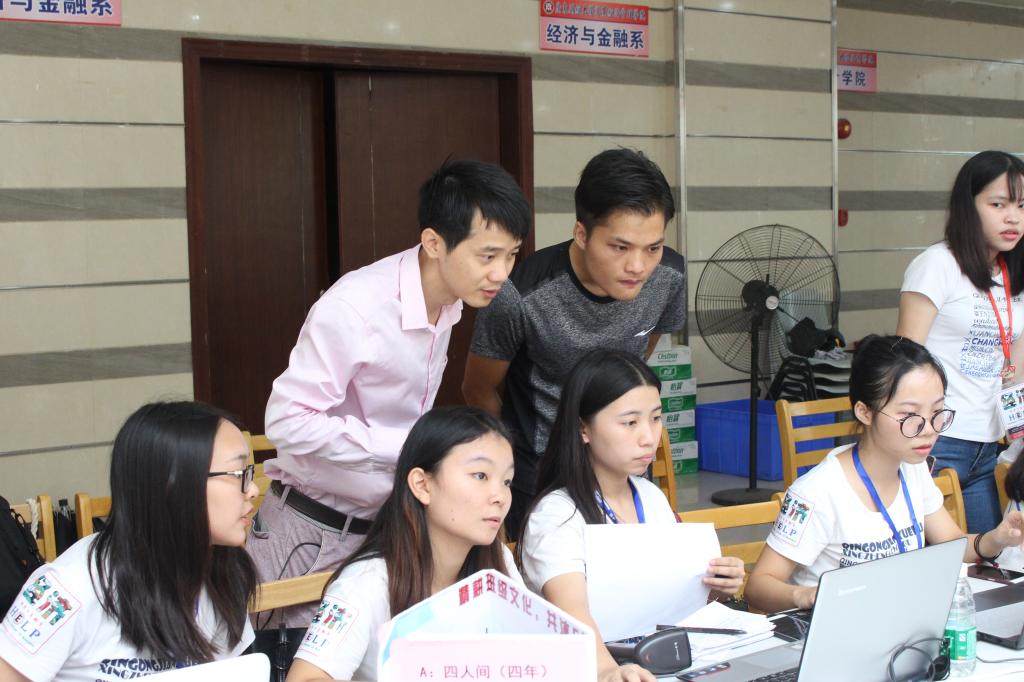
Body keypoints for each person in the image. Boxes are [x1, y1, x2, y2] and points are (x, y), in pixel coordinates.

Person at [251, 159, 531, 626]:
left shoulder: (450, 302)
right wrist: (407, 449)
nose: (502, 273)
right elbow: (285, 421)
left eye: (512, 254)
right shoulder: (357, 307)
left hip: (386, 530)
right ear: (434, 243)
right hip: (312, 530)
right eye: (487, 256)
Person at [464, 148, 685, 537]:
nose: (638, 266)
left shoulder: (669, 277)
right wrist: (509, 461)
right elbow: (478, 389)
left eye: (653, 248)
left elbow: (637, 362)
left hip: (624, 469)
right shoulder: (521, 294)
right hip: (541, 473)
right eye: (620, 247)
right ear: (582, 234)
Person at [745, 335, 1024, 614]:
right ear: (865, 412)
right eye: (910, 416)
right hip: (837, 627)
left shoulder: (913, 468)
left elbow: (952, 543)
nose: (929, 429)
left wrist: (998, 538)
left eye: (938, 412)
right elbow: (757, 588)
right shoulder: (816, 492)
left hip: (897, 620)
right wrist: (807, 596)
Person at [517, 350, 744, 682]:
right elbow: (574, 613)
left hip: (657, 661)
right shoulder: (556, 515)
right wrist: (609, 671)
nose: (649, 437)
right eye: (630, 423)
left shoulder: (650, 496)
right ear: (583, 428)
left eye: (656, 418)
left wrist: (718, 586)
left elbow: (671, 597)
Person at [0, 401, 259, 681]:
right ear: (171, 484)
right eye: (239, 475)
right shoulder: (65, 590)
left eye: (251, 473)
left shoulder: (225, 572)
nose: (254, 490)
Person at [284, 406, 522, 682]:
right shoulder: (365, 581)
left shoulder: (498, 560)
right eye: (480, 476)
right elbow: (305, 679)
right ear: (422, 485)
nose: (500, 496)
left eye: (507, 481)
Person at [897, 150, 1024, 533]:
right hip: (939, 440)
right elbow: (904, 362)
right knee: (938, 559)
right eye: (998, 204)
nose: (1013, 217)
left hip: (990, 443)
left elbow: (1015, 366)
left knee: (985, 558)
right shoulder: (937, 265)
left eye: (1021, 206)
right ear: (968, 206)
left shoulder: (1013, 273)